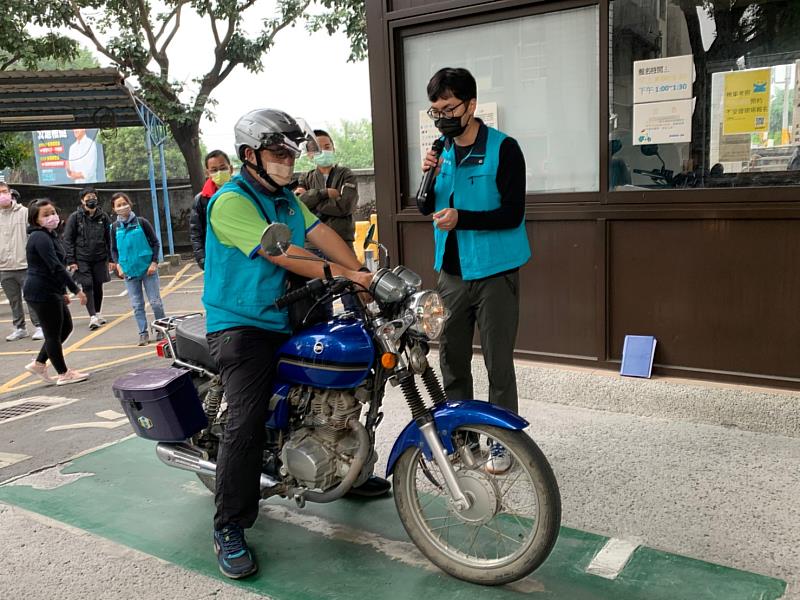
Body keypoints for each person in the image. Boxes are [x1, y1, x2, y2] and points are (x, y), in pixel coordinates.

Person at [202, 108, 382, 579]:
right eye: (278, 152)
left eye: (289, 152)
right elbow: (282, 251)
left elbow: (320, 233)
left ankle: (347, 465)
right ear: (250, 155)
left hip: (292, 312)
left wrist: (363, 274)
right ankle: (229, 526)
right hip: (243, 324)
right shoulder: (230, 201)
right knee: (246, 418)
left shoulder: (285, 200)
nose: (287, 160)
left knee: (354, 367)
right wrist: (346, 275)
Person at [418, 67, 529, 475]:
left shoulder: (504, 148)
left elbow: (512, 213)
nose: (443, 117)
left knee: (498, 363)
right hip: (450, 273)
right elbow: (424, 207)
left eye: (449, 107)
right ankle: (462, 439)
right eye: (435, 110)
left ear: (471, 105)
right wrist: (428, 174)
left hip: (495, 273)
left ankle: (502, 444)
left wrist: (460, 217)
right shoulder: (441, 150)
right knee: (452, 360)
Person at [23, 199, 89, 385]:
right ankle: (63, 373)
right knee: (52, 333)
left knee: (66, 327)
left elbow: (57, 266)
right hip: (40, 292)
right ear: (35, 220)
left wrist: (62, 292)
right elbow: (56, 267)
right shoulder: (39, 238)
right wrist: (76, 290)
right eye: (45, 215)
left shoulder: (49, 235)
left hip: (51, 289)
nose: (51, 217)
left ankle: (39, 363)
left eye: (52, 212)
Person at [295, 129, 360, 315]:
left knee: (352, 296)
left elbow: (345, 206)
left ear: (333, 147)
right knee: (319, 302)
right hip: (312, 245)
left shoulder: (346, 175)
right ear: (309, 153)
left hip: (341, 242)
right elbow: (299, 206)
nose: (323, 151)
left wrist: (313, 204)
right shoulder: (305, 177)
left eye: (327, 146)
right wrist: (324, 193)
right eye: (317, 148)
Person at [109, 193, 166, 346]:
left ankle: (161, 328)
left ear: (130, 204)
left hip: (148, 270)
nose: (122, 207)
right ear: (114, 209)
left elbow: (155, 242)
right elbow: (113, 250)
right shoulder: (114, 228)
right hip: (129, 272)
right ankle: (143, 332)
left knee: (155, 302)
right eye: (118, 205)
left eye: (124, 203)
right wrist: (118, 265)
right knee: (137, 305)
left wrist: (154, 262)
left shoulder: (142, 222)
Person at [63, 187, 113, 330]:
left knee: (98, 285)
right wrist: (71, 260)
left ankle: (98, 313)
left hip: (99, 257)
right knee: (87, 285)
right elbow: (68, 239)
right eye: (88, 197)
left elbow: (109, 238)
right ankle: (92, 317)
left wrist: (112, 259)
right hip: (81, 259)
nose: (91, 199)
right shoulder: (75, 217)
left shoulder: (103, 217)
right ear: (82, 200)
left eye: (93, 197)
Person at [0, 183, 43, 341]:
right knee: (13, 300)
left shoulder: (24, 213)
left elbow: (35, 235)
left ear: (11, 193)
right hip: (4, 266)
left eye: (4, 191)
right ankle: (20, 328)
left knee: (31, 297)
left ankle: (39, 326)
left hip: (25, 264)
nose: (2, 195)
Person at [189, 150, 234, 269]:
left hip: (242, 256)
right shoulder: (201, 200)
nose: (219, 172)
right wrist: (202, 259)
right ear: (207, 173)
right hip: (214, 258)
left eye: (223, 168)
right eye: (214, 170)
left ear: (231, 169)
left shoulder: (244, 194)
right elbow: (196, 232)